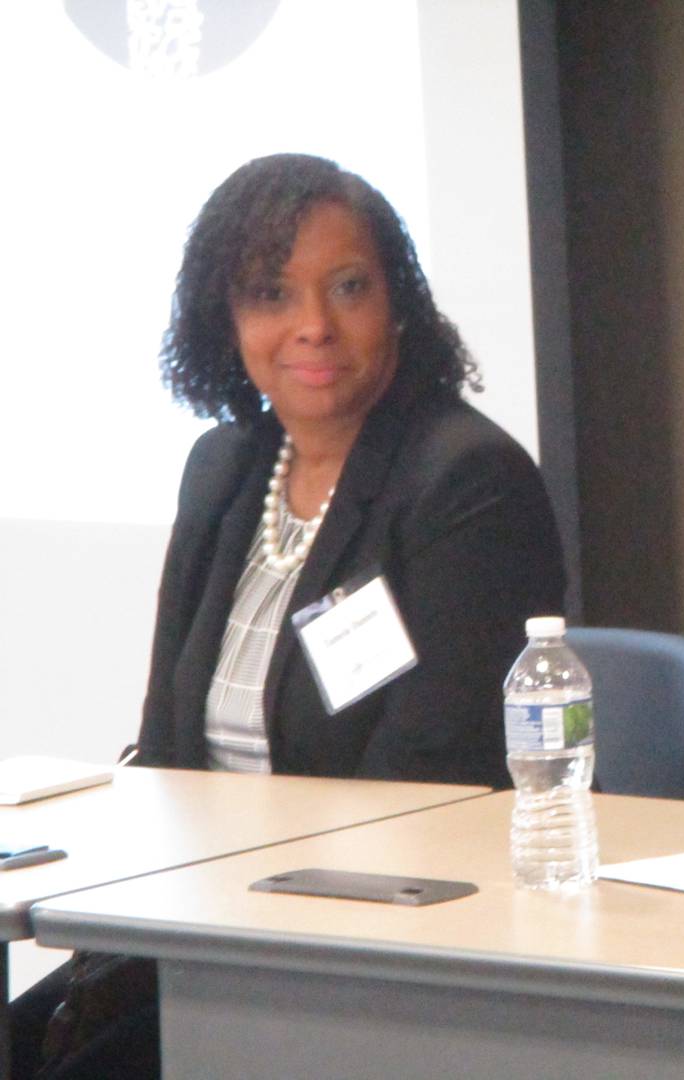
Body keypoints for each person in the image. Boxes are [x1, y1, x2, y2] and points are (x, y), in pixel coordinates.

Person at [12, 153, 565, 1079]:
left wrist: (228, 919)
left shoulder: (464, 481)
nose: (313, 327)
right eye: (272, 293)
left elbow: (432, 784)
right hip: (205, 935)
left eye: (348, 287)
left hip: (364, 956)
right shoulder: (226, 469)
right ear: (225, 321)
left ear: (397, 304)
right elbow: (168, 746)